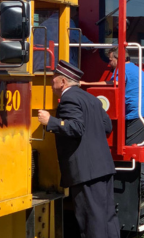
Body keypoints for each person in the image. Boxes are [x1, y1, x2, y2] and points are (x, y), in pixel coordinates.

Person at [37, 60, 120, 238]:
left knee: (92, 220)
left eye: (54, 79)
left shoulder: (69, 99)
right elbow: (106, 127)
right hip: (103, 167)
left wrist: (49, 121)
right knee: (107, 217)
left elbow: (75, 128)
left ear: (63, 82)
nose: (52, 83)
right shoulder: (90, 98)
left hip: (86, 171)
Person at [80, 47, 144, 209]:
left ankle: (143, 190)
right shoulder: (134, 69)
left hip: (140, 116)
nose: (109, 62)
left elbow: (114, 84)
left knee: (127, 154)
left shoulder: (123, 69)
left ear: (119, 59)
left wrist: (86, 84)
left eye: (111, 59)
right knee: (139, 150)